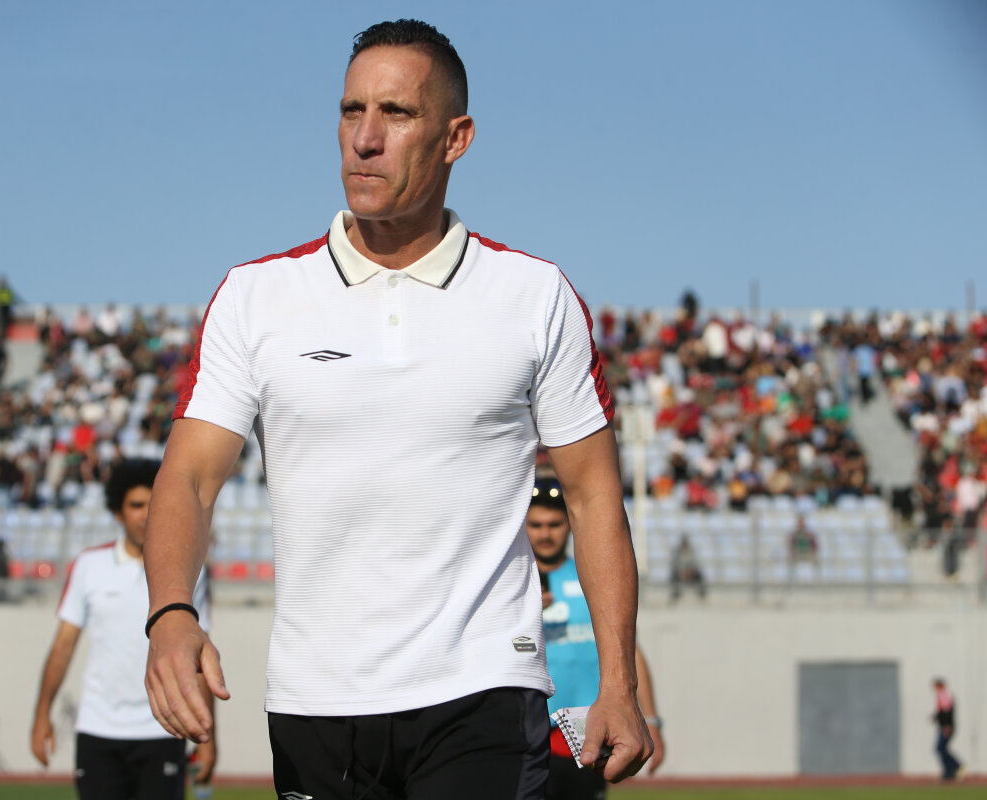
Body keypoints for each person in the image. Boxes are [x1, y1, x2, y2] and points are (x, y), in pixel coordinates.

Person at [143, 18, 651, 800]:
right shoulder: (255, 297)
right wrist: (171, 614)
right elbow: (188, 479)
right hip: (315, 699)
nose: (365, 139)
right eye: (352, 111)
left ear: (456, 138)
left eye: (397, 113)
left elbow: (592, 495)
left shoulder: (534, 295)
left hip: (484, 687)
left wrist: (620, 680)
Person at [30, 459, 215, 800]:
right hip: (98, 730)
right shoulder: (89, 566)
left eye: (153, 505)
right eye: (136, 505)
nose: (145, 515)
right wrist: (42, 715)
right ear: (118, 512)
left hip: (163, 729)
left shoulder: (191, 572)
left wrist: (207, 736)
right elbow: (63, 648)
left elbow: (199, 657)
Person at [528, 478, 665, 799]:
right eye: (536, 525)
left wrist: (652, 721)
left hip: (584, 734)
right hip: (527, 733)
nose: (545, 534)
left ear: (569, 524)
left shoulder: (592, 579)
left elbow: (630, 653)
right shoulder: (510, 585)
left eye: (554, 524)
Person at [932, 678, 961, 781]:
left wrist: (947, 725)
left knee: (940, 748)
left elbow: (947, 712)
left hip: (946, 726)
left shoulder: (943, 694)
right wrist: (935, 717)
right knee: (941, 748)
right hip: (945, 726)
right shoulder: (943, 695)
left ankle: (954, 768)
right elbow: (942, 711)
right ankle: (951, 770)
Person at [669, 534, 706, 602]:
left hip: (691, 573)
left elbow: (695, 563)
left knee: (700, 576)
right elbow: (674, 565)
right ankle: (675, 594)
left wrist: (691, 571)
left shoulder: (692, 551)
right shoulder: (676, 553)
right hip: (680, 573)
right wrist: (682, 572)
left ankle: (702, 595)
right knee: (673, 577)